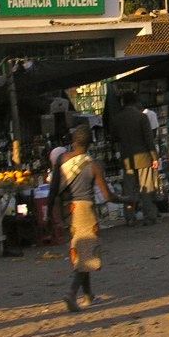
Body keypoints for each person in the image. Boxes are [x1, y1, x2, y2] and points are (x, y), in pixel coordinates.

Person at [49, 125, 113, 313]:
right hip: (86, 212)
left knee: (82, 251)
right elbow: (107, 196)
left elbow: (53, 190)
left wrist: (48, 215)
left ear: (73, 141)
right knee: (86, 255)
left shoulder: (61, 160)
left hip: (69, 211)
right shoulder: (93, 165)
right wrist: (126, 200)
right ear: (91, 143)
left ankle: (88, 295)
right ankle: (71, 293)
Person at [110, 91, 160, 226]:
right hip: (143, 157)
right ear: (136, 102)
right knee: (146, 189)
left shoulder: (117, 118)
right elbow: (149, 139)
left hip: (127, 159)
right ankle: (149, 217)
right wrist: (154, 157)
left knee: (129, 190)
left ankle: (130, 217)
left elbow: (114, 138)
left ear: (123, 103)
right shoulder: (142, 117)